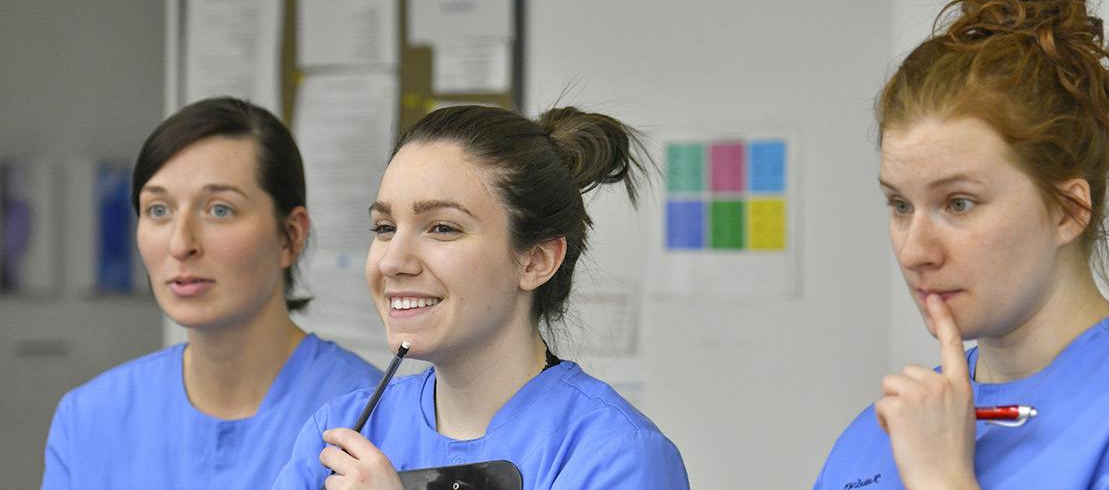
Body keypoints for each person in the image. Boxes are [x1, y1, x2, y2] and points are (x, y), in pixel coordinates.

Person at [814, 0, 1109, 488]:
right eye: (900, 204)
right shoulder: (877, 435)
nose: (915, 251)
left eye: (957, 203)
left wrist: (943, 479)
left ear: (1068, 210)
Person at [272, 105, 689, 489]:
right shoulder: (338, 433)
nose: (392, 261)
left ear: (535, 261)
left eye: (443, 228)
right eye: (384, 228)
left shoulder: (617, 455)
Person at [41, 97, 381, 489]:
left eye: (219, 209)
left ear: (290, 236)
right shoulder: (89, 418)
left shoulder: (369, 413)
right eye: (158, 210)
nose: (181, 244)